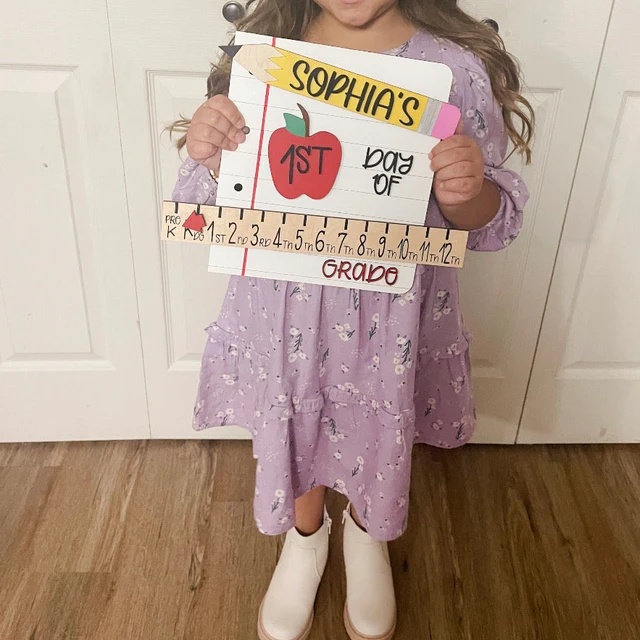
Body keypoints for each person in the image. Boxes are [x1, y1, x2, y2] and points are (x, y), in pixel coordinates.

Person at [171, 1, 533, 638]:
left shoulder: (453, 69)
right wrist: (211, 150)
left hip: (390, 322)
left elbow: (488, 222)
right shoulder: (265, 54)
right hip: (285, 309)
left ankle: (367, 534)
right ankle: (305, 536)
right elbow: (208, 205)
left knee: (377, 423)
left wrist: (467, 192)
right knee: (296, 416)